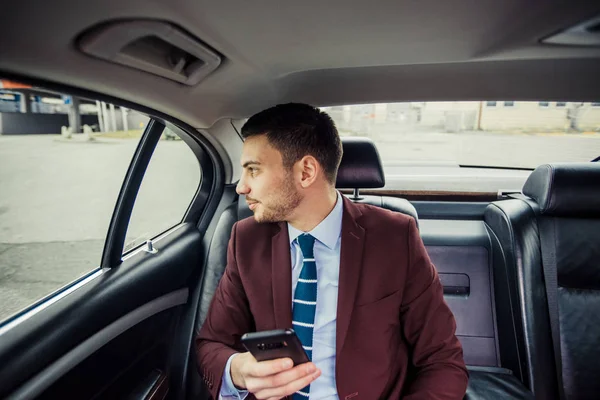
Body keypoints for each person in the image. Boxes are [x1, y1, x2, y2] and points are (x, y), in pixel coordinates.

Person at [196, 103, 468, 400]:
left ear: (306, 171)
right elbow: (211, 344)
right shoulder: (247, 240)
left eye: (253, 170)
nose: (242, 187)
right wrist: (238, 370)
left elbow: (442, 360)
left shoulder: (394, 237)